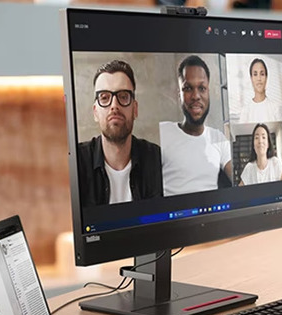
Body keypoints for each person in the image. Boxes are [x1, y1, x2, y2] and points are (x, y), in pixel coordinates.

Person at [77, 60, 163, 206]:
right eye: (104, 97)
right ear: (95, 112)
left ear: (135, 109)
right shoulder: (77, 163)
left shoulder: (158, 160)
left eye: (123, 96)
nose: (114, 106)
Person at [159, 55, 234, 196]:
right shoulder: (163, 132)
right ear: (179, 95)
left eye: (202, 88)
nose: (196, 96)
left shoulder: (218, 137)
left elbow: (241, 181)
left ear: (208, 92)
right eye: (188, 88)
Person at [238, 58, 282, 123]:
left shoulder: (275, 108)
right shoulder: (245, 111)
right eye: (255, 74)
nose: (259, 78)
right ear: (251, 78)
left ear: (266, 77)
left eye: (262, 74)